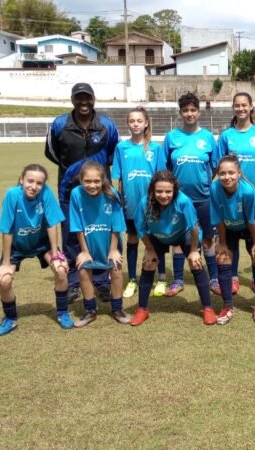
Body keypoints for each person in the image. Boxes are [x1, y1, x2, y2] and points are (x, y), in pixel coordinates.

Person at [44, 82, 120, 303]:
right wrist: (74, 169)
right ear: (72, 100)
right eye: (79, 98)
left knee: (100, 233)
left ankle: (101, 280)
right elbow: (52, 152)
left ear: (94, 99)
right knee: (70, 234)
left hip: (100, 189)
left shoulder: (106, 124)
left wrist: (97, 170)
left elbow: (113, 152)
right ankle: (74, 281)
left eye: (87, 98)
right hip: (69, 188)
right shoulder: (60, 124)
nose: (83, 102)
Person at [129, 170, 216, 326]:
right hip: (158, 236)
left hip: (184, 235)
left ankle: (207, 308)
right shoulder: (145, 203)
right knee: (149, 263)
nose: (164, 195)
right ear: (152, 190)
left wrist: (194, 250)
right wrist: (149, 249)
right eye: (159, 191)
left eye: (168, 191)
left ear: (174, 190)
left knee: (195, 263)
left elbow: (194, 227)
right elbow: (140, 229)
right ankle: (142, 309)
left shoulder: (183, 201)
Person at [0, 164, 70, 336]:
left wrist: (56, 254)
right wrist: (6, 263)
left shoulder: (46, 193)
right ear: (22, 180)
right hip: (17, 246)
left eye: (39, 183)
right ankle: (10, 318)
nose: (34, 186)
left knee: (61, 270)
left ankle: (63, 313)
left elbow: (52, 223)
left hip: (41, 243)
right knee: (4, 280)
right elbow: (7, 230)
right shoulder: (12, 195)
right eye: (30, 181)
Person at [214, 92, 255, 296]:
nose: (240, 109)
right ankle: (233, 277)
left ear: (250, 107)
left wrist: (251, 179)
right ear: (233, 108)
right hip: (230, 197)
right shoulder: (226, 136)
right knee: (231, 239)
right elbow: (220, 165)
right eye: (237, 106)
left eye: (244, 105)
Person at [161, 93, 219, 297]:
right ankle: (178, 279)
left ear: (199, 112)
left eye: (193, 110)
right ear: (180, 112)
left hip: (203, 197)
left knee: (208, 238)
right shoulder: (172, 137)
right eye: (185, 110)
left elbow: (215, 167)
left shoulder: (207, 137)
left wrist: (204, 183)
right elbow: (165, 169)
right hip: (178, 199)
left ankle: (214, 278)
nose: (189, 114)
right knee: (178, 239)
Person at [68, 161, 131, 327]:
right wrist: (84, 251)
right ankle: (90, 310)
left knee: (116, 268)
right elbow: (77, 225)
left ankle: (117, 309)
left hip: (110, 242)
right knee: (83, 270)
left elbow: (117, 225)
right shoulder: (76, 194)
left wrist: (113, 250)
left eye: (96, 181)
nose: (92, 185)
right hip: (88, 243)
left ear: (103, 180)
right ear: (81, 180)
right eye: (87, 181)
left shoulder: (112, 193)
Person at [111, 107, 164, 300]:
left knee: (157, 239)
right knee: (132, 238)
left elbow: (161, 177)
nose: (135, 124)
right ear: (128, 123)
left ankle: (162, 278)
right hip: (131, 203)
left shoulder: (155, 148)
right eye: (132, 121)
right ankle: (132, 279)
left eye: (139, 121)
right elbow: (119, 179)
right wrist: (121, 200)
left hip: (153, 203)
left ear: (146, 123)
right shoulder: (121, 148)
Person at [210, 154, 255, 324]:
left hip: (253, 226)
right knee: (222, 258)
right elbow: (218, 218)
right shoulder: (214, 189)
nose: (226, 177)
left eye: (231, 173)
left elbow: (251, 220)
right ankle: (227, 307)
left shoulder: (249, 191)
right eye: (222, 173)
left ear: (239, 173)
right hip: (229, 226)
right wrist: (221, 243)